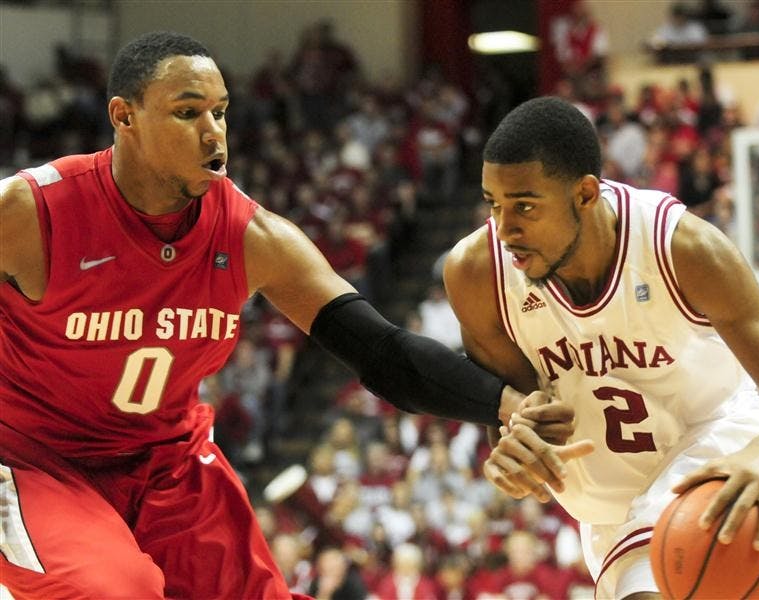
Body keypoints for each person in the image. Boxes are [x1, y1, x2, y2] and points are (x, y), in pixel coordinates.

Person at [0, 32, 579, 599]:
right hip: (38, 462)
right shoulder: (32, 212)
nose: (213, 132)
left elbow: (381, 352)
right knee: (115, 589)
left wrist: (506, 404)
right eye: (187, 112)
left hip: (166, 462)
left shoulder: (252, 237)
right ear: (124, 117)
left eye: (220, 112)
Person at [441, 97, 759, 599]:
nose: (505, 229)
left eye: (524, 206)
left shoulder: (683, 249)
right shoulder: (477, 274)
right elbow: (519, 411)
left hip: (714, 454)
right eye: (494, 204)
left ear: (585, 194)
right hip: (606, 505)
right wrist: (519, 449)